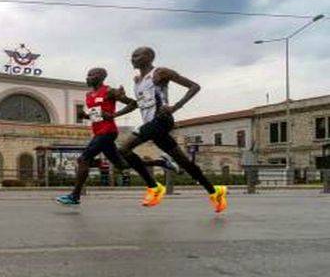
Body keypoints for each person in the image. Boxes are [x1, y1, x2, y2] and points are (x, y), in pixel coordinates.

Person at [118, 46, 228, 213]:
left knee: (124, 148)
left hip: (161, 120)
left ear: (149, 57)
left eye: (137, 55)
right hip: (152, 126)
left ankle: (154, 187)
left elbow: (194, 86)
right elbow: (142, 102)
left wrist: (175, 107)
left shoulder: (160, 72)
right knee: (184, 162)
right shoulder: (137, 80)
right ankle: (215, 191)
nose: (132, 59)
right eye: (132, 56)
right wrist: (121, 97)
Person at [55, 68, 171, 206]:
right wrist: (87, 116)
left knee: (83, 159)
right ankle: (160, 163)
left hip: (107, 132)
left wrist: (115, 115)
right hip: (98, 132)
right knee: (122, 165)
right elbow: (99, 114)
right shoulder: (88, 95)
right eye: (87, 75)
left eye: (92, 75)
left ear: (102, 77)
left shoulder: (109, 91)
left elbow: (133, 104)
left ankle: (75, 196)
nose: (88, 77)